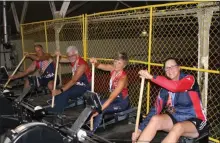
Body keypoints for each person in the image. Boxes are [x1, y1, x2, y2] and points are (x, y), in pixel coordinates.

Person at [132, 58, 208, 143]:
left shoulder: (189, 79)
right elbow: (155, 109)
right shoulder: (164, 88)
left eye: (172, 66)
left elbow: (176, 87)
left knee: (178, 127)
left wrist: (150, 77)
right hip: (176, 118)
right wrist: (140, 129)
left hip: (196, 121)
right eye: (167, 68)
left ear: (179, 67)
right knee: (155, 119)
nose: (169, 70)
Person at [89, 52, 130, 132]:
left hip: (121, 102)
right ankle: (88, 124)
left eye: (119, 63)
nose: (116, 65)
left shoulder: (123, 78)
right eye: (115, 61)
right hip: (114, 99)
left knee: (102, 109)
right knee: (96, 104)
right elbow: (100, 66)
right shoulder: (113, 69)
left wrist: (99, 110)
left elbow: (111, 98)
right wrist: (95, 62)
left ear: (124, 66)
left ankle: (92, 133)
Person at [48, 46, 91, 113]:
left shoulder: (82, 65)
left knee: (64, 92)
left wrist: (60, 90)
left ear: (77, 55)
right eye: (68, 56)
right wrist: (57, 55)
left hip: (84, 87)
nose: (70, 58)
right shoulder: (73, 59)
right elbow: (58, 60)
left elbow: (73, 81)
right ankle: (60, 104)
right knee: (60, 92)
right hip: (77, 85)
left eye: (72, 56)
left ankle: (56, 111)